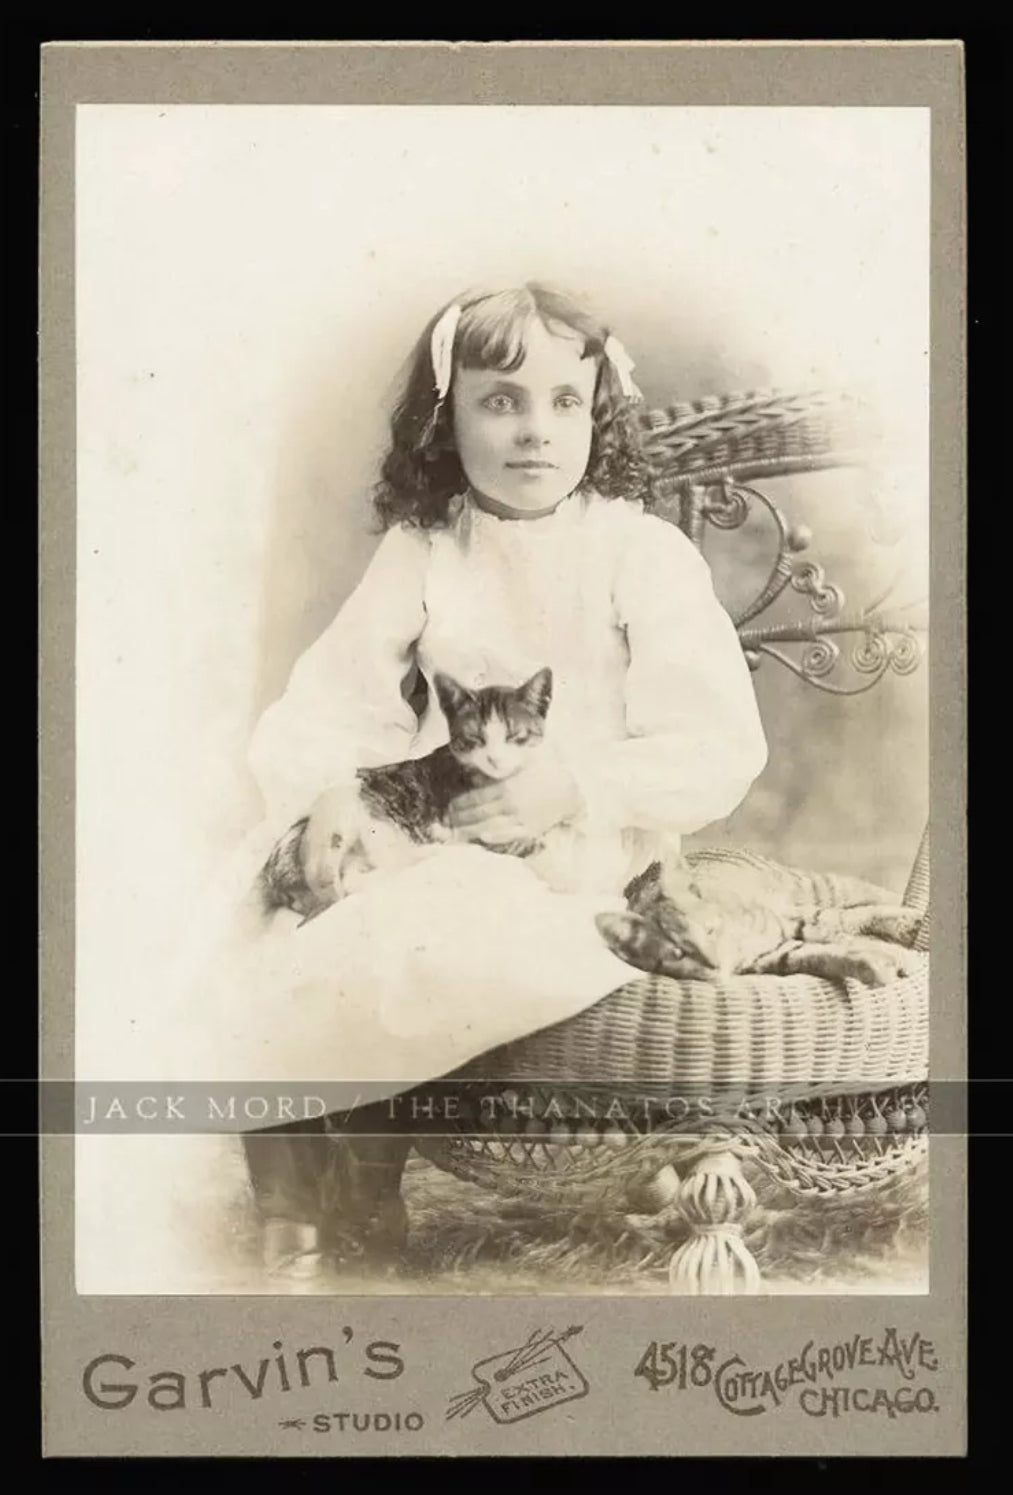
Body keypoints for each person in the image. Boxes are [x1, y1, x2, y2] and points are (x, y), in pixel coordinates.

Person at [232, 282, 768, 1281]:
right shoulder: (425, 548)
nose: (533, 431)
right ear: (447, 419)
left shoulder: (636, 552)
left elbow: (713, 742)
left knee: (406, 926)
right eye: (500, 400)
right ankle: (299, 1204)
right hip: (438, 828)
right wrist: (329, 797)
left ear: (597, 412)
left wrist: (573, 787)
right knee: (270, 898)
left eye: (564, 401)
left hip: (582, 860)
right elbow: (338, 698)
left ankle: (365, 1184)